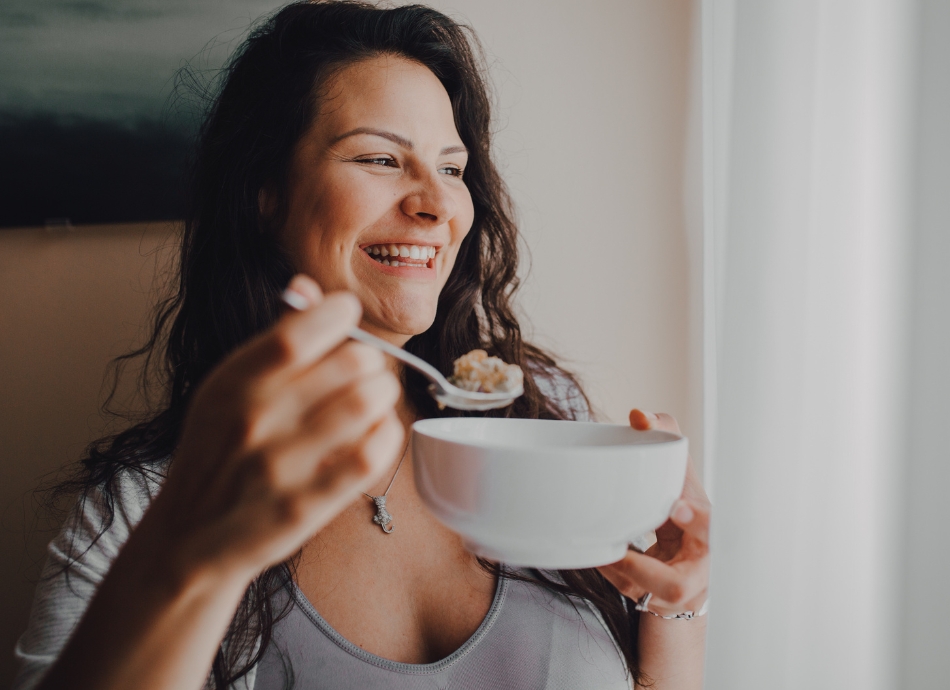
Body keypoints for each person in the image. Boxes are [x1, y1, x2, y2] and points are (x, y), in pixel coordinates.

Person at [13, 2, 710, 689]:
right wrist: (195, 552)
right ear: (266, 192)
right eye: (380, 158)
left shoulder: (541, 417)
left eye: (450, 167)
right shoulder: (147, 507)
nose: (434, 206)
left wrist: (676, 610)